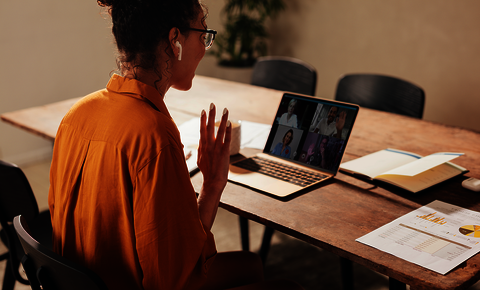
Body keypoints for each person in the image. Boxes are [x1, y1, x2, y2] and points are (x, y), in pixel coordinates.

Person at [48, 1, 303, 290]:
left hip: (86, 281)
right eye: (202, 35)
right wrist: (211, 185)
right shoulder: (153, 134)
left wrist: (210, 184)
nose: (205, 49)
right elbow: (173, 278)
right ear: (175, 41)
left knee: (250, 265)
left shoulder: (76, 115)